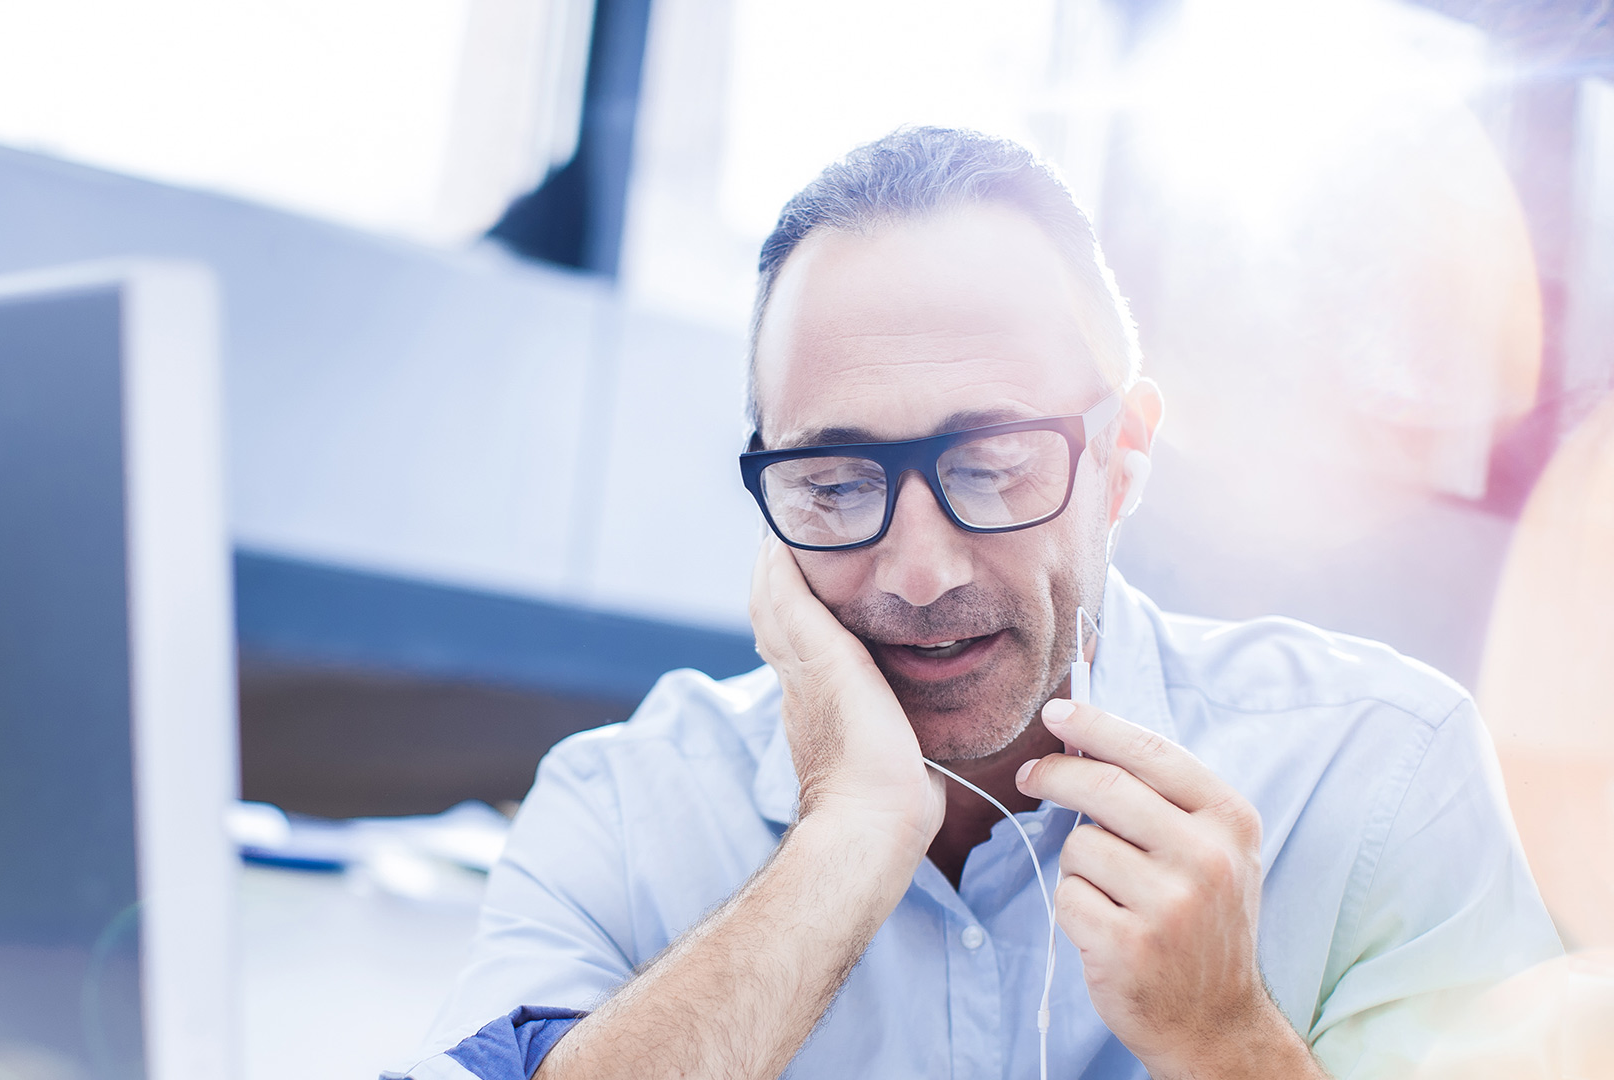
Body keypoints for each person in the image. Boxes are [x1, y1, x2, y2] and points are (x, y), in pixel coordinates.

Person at [386, 128, 1560, 1080]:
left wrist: (1226, 1043)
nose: (919, 572)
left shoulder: (1379, 774)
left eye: (995, 465)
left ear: (1123, 458)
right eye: (837, 484)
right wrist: (848, 838)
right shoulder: (624, 810)